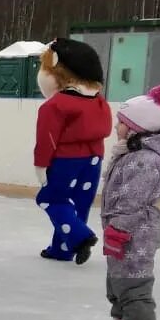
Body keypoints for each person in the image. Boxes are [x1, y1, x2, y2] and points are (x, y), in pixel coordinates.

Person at [88, 85, 160, 320]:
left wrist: (119, 228)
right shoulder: (129, 153)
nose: (116, 127)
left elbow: (133, 200)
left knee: (135, 285)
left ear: (137, 128)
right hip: (122, 231)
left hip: (136, 234)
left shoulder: (145, 160)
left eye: (121, 122)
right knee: (118, 284)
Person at [34, 37, 113, 264]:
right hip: (94, 159)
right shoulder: (98, 101)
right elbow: (104, 128)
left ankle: (80, 237)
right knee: (78, 203)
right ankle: (63, 249)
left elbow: (47, 138)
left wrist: (41, 164)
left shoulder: (56, 105)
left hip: (66, 160)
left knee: (50, 199)